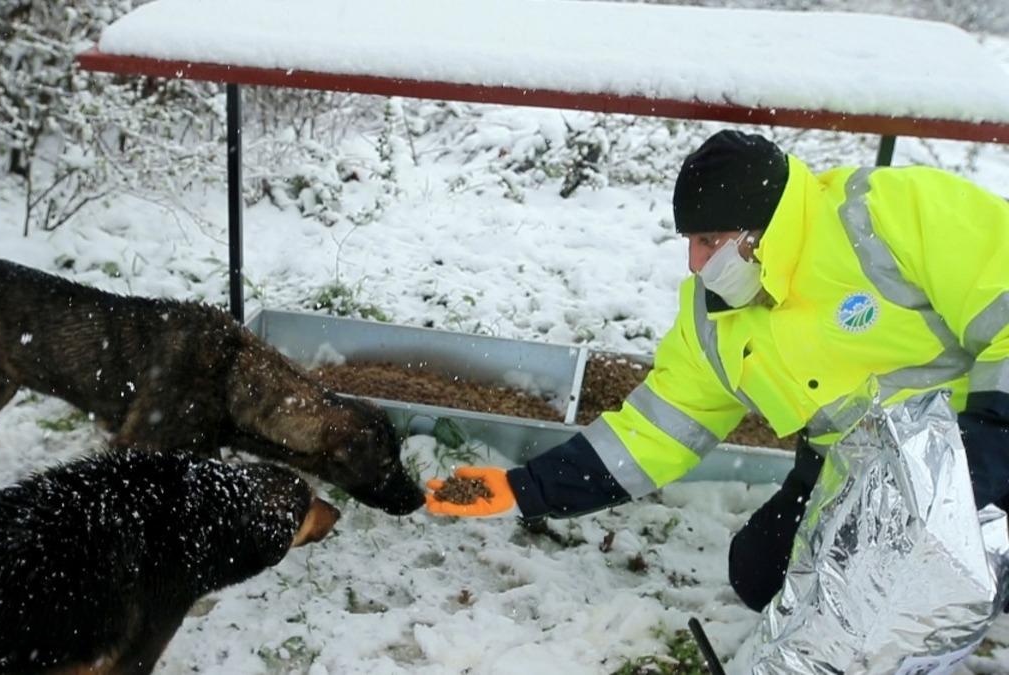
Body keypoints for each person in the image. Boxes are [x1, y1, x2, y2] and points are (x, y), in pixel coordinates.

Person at [425, 129, 1009, 612]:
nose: (696, 262)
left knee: (946, 562)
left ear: (764, 229)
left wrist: (984, 450)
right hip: (851, 467)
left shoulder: (885, 213)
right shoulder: (715, 315)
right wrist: (523, 488)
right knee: (763, 575)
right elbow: (658, 427)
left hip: (977, 442)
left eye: (710, 240)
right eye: (690, 242)